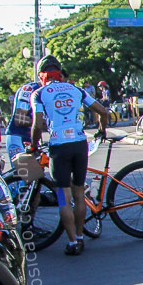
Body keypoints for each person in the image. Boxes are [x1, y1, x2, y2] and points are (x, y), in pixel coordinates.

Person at [29, 55, 110, 256]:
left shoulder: (38, 94)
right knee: (79, 194)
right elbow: (103, 111)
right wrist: (102, 130)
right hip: (79, 144)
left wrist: (33, 146)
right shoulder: (77, 89)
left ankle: (73, 242)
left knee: (63, 197)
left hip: (58, 147)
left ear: (42, 76)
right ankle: (81, 236)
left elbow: (38, 124)